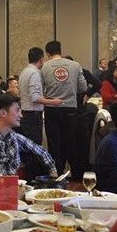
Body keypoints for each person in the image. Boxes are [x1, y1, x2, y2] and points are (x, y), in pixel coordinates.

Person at [0, 93, 57, 185]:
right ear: (3, 113)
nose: (21, 115)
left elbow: (41, 151)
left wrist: (53, 172)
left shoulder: (15, 137)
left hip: (10, 189)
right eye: (17, 110)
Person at [41, 41, 88, 176]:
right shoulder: (75, 65)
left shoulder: (44, 67)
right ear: (60, 50)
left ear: (48, 53)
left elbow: (40, 89)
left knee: (54, 143)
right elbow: (83, 87)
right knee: (70, 141)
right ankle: (76, 173)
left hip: (51, 108)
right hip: (70, 108)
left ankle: (57, 173)